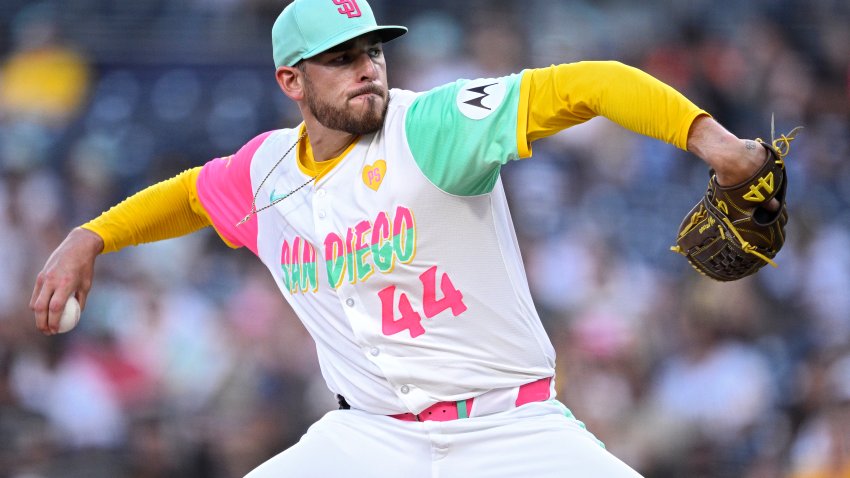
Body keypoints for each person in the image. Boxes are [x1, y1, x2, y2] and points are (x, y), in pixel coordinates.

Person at [29, 0, 778, 476]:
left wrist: (712, 141)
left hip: (511, 431)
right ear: (292, 82)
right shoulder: (263, 173)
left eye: (373, 51)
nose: (366, 69)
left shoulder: (431, 127)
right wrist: (90, 236)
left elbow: (590, 81)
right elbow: (188, 195)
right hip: (370, 442)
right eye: (342, 58)